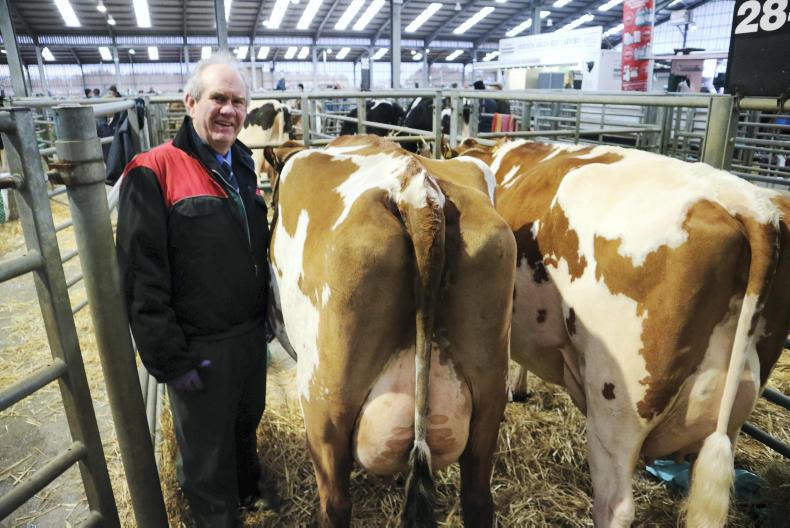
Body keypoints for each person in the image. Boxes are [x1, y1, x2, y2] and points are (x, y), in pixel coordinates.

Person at [116, 52, 276, 527]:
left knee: (246, 423)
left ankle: (247, 491)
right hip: (197, 345)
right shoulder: (153, 170)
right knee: (204, 450)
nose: (230, 111)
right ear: (190, 102)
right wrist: (169, 360)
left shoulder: (244, 163)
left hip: (249, 335)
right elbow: (141, 277)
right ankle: (216, 518)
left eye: (239, 102)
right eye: (218, 99)